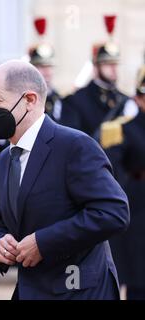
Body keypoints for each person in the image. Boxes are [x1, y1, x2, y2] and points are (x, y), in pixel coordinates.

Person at [0, 60, 129, 300]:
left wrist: (44, 242)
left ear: (29, 100)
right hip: (30, 290)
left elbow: (113, 212)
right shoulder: (6, 159)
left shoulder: (74, 146)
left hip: (79, 291)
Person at [104, 65, 145, 300]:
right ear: (138, 98)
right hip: (139, 205)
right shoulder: (124, 129)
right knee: (139, 278)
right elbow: (113, 170)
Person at [61, 15, 135, 136]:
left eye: (115, 63)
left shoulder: (125, 99)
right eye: (107, 63)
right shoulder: (76, 101)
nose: (113, 68)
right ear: (95, 67)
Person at [28, 17, 62, 122]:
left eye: (49, 66)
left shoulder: (58, 99)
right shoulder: (25, 99)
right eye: (42, 66)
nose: (47, 72)